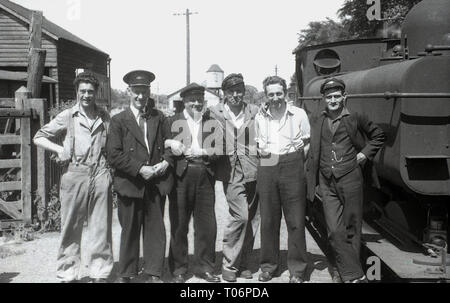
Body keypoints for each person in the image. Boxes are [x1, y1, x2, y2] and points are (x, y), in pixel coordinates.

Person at [33, 71, 113, 283]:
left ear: (96, 93)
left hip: (101, 172)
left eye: (90, 91)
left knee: (101, 226)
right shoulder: (68, 116)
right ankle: (68, 273)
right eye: (83, 91)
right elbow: (38, 137)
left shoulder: (104, 116)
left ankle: (100, 271)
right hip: (75, 173)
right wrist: (59, 149)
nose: (86, 95)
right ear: (77, 92)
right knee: (70, 226)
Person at [305, 78, 385, 283]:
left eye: (336, 96)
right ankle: (356, 274)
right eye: (329, 96)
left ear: (344, 97)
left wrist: (365, 154)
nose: (333, 100)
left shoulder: (355, 117)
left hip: (350, 179)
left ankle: (344, 273)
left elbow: (378, 135)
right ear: (323, 98)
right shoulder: (317, 118)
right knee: (333, 230)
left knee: (352, 227)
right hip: (326, 180)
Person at [106, 70, 173, 283]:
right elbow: (113, 154)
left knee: (155, 228)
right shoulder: (118, 120)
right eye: (136, 91)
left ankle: (154, 271)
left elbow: (170, 143)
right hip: (130, 183)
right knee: (130, 230)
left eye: (144, 91)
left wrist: (166, 161)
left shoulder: (159, 117)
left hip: (155, 183)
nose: (140, 96)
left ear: (149, 91)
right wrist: (138, 169)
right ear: (128, 92)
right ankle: (127, 272)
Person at [255, 76, 310, 283]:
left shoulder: (299, 114)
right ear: (266, 96)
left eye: (279, 93)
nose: (275, 98)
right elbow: (258, 145)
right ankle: (269, 266)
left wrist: (293, 162)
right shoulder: (260, 117)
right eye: (271, 94)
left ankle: (297, 270)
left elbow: (307, 142)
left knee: (295, 220)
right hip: (268, 162)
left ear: (285, 93)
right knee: (268, 219)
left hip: (292, 162)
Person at [165, 83, 222, 283]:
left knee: (206, 225)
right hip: (181, 176)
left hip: (205, 174)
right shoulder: (172, 121)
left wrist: (202, 152)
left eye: (199, 99)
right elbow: (162, 143)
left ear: (204, 101)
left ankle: (205, 267)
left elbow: (219, 150)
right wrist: (169, 143)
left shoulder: (212, 122)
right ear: (184, 102)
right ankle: (179, 269)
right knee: (179, 224)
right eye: (192, 100)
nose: (196, 103)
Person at [209, 73, 260, 282]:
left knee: (253, 218)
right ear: (224, 93)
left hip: (254, 169)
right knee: (241, 216)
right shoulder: (214, 112)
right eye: (231, 91)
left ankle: (245, 263)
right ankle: (229, 264)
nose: (236, 95)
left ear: (244, 91)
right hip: (230, 171)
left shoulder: (255, 111)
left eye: (239, 91)